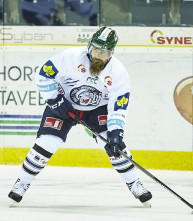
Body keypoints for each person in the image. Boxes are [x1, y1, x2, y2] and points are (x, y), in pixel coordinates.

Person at [8, 26, 152, 206]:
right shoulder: (69, 58)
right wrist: (55, 99)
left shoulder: (119, 73)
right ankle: (22, 182)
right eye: (96, 50)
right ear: (89, 46)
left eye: (104, 52)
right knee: (48, 142)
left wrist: (116, 132)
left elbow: (118, 105)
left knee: (112, 143)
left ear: (112, 52)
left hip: (97, 109)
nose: (99, 55)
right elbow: (43, 74)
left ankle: (135, 183)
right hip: (64, 104)